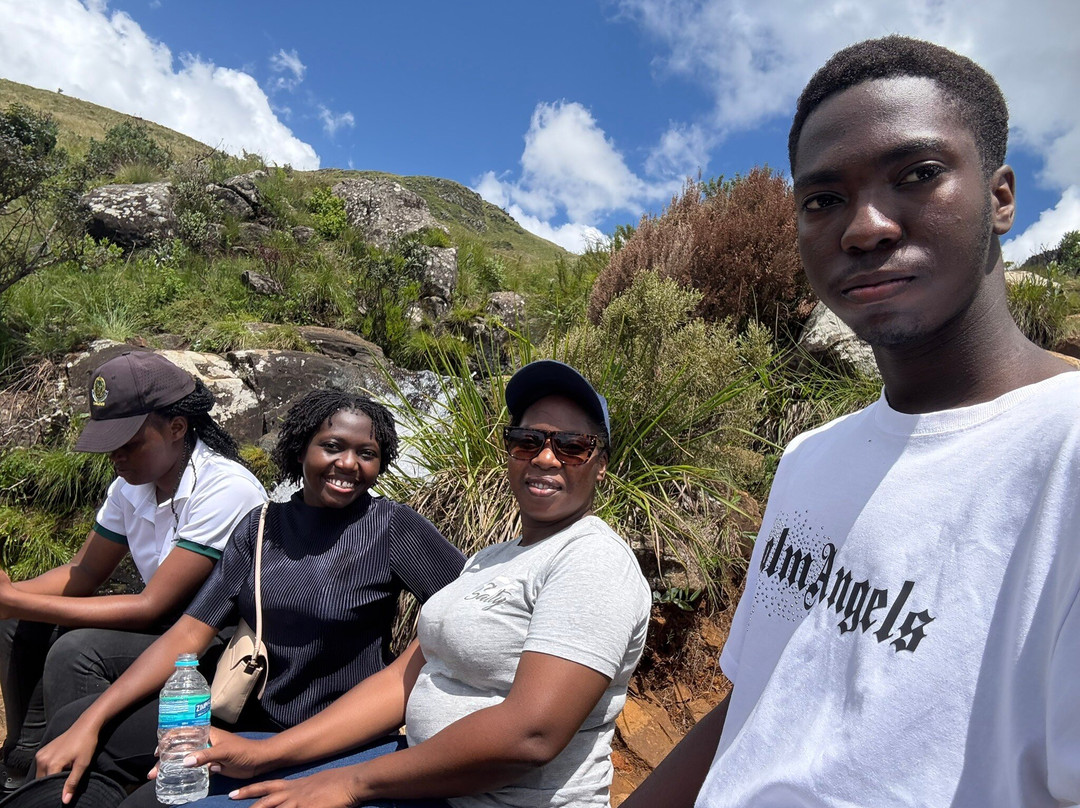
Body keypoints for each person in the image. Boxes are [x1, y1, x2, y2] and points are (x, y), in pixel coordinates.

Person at [623, 36, 1080, 808]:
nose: (864, 226)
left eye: (919, 175)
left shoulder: (1064, 453)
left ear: (1001, 197)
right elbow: (761, 701)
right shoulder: (809, 458)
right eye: (823, 199)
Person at [136, 361, 652, 808]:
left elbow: (530, 736)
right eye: (528, 440)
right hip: (413, 775)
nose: (544, 457)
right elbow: (405, 676)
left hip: (478, 798)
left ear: (601, 464)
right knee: (174, 791)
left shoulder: (591, 562)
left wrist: (352, 782)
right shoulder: (492, 560)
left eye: (573, 447)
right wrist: (267, 753)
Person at [30, 390, 467, 805]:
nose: (348, 464)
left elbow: (469, 610)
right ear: (301, 450)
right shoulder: (259, 527)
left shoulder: (392, 526)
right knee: (74, 727)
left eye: (366, 454)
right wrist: (93, 720)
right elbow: (187, 633)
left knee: (152, 801)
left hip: (335, 735)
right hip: (246, 715)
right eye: (332, 446)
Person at [0, 351, 266, 791]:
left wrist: (15, 600)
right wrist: (12, 600)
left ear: (177, 428)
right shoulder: (131, 485)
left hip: (215, 640)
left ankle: (90, 777)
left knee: (78, 650)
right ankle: (25, 763)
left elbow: (151, 606)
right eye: (109, 443)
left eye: (129, 442)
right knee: (16, 626)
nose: (116, 457)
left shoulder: (225, 489)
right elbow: (82, 572)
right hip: (161, 626)